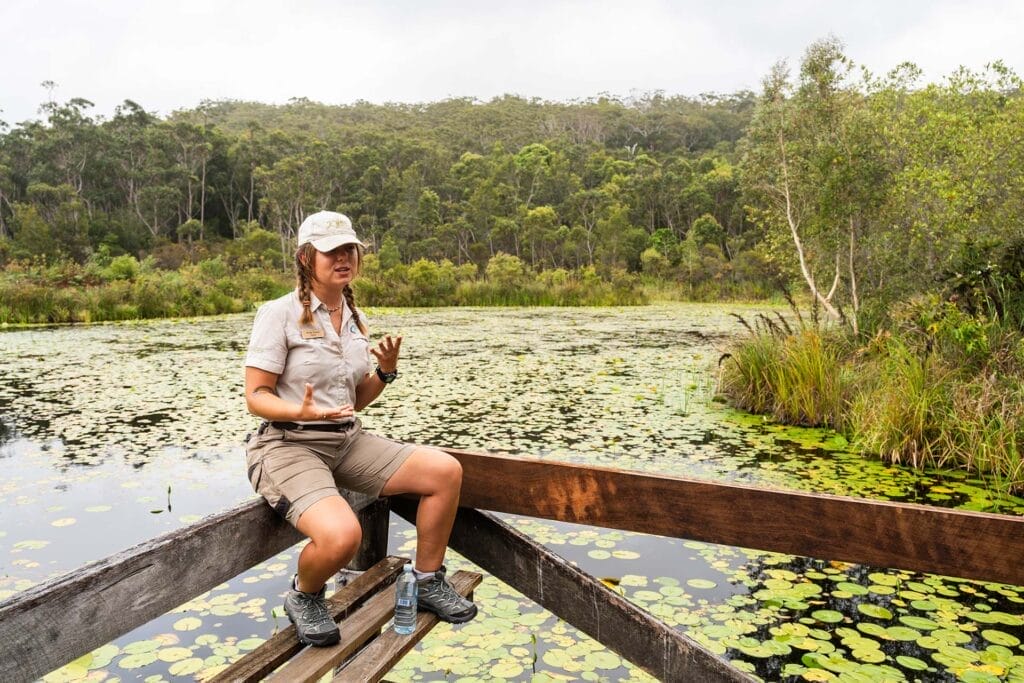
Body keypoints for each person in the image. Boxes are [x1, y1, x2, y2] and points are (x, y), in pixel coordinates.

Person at [243, 210, 477, 647]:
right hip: (288, 444)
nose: (343, 257)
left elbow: (354, 400)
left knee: (444, 472)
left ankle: (426, 580)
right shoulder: (278, 313)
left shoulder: (354, 316)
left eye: (350, 249)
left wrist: (384, 372)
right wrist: (301, 412)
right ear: (306, 257)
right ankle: (305, 595)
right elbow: (256, 396)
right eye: (331, 251)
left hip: (345, 440)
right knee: (343, 535)